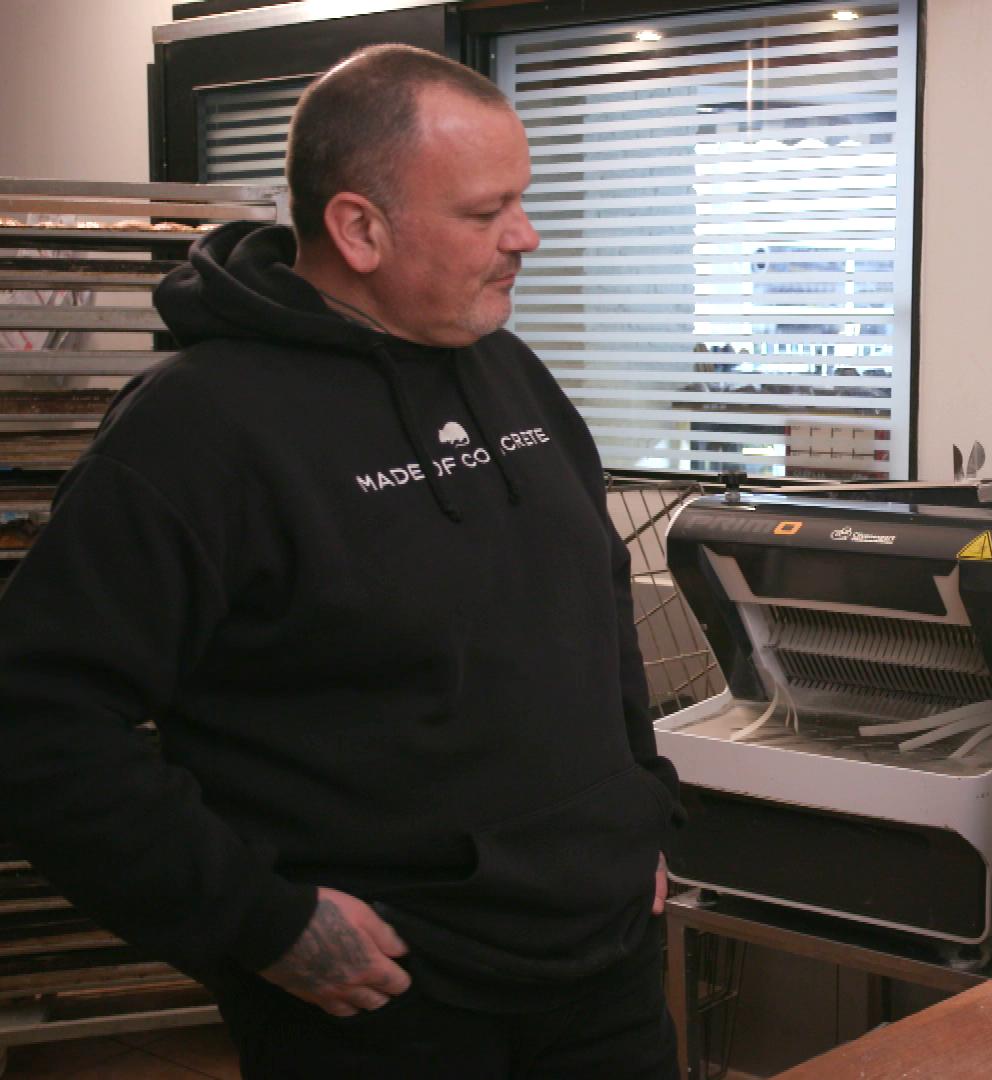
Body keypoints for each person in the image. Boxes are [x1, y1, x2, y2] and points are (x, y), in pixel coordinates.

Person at [0, 45, 683, 1077]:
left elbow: (595, 610)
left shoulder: (507, 368)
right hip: (384, 997)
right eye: (485, 212)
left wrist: (639, 811)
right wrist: (258, 920)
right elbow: (38, 718)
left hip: (605, 968)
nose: (525, 236)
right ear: (360, 228)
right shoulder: (195, 429)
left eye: (522, 201)